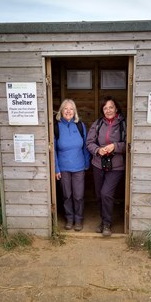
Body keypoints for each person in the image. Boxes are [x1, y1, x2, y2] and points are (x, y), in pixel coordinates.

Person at [86, 96, 126, 237]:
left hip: (116, 166)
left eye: (111, 107)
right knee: (99, 195)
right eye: (105, 108)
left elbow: (129, 143)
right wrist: (98, 150)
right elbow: (89, 142)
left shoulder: (123, 124)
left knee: (106, 193)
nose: (108, 110)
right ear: (102, 110)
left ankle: (107, 224)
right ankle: (103, 221)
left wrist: (114, 146)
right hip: (98, 164)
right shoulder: (98, 124)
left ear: (116, 108)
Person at [54, 99, 90, 231]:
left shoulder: (80, 126)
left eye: (71, 109)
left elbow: (85, 146)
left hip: (79, 167)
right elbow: (53, 150)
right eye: (65, 108)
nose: (68, 111)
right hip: (63, 168)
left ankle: (79, 219)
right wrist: (56, 168)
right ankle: (69, 219)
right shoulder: (56, 127)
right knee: (67, 195)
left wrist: (86, 164)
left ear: (74, 111)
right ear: (61, 111)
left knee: (78, 195)